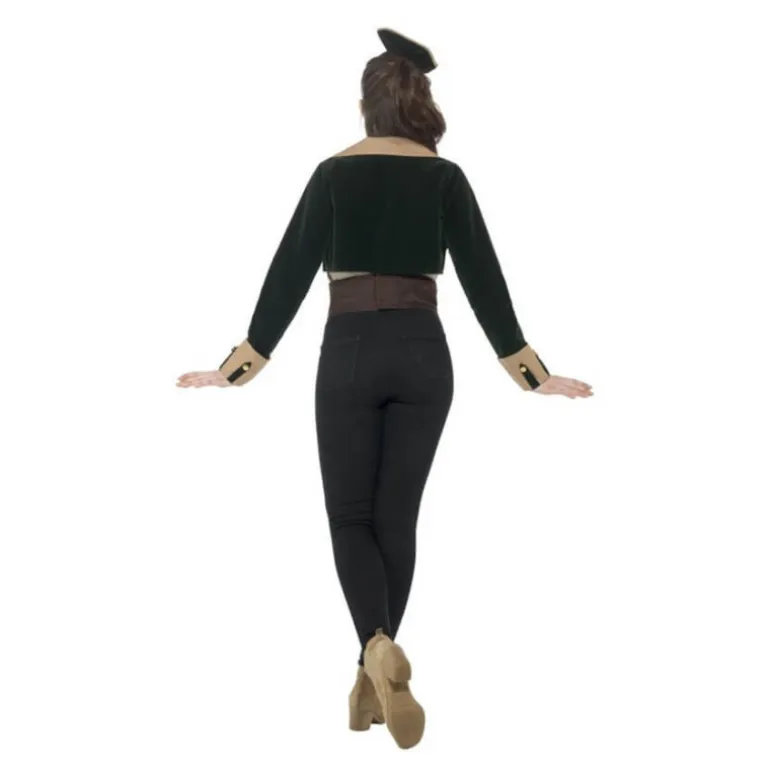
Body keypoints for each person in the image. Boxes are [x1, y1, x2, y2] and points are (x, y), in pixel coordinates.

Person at [176, 27, 593, 750]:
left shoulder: (333, 174)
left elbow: (289, 272)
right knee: (396, 520)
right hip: (426, 354)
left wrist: (239, 364)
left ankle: (375, 646)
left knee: (350, 518)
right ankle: (369, 675)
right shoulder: (446, 178)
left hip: (349, 351)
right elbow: (484, 279)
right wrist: (532, 372)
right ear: (418, 104)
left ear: (365, 106)